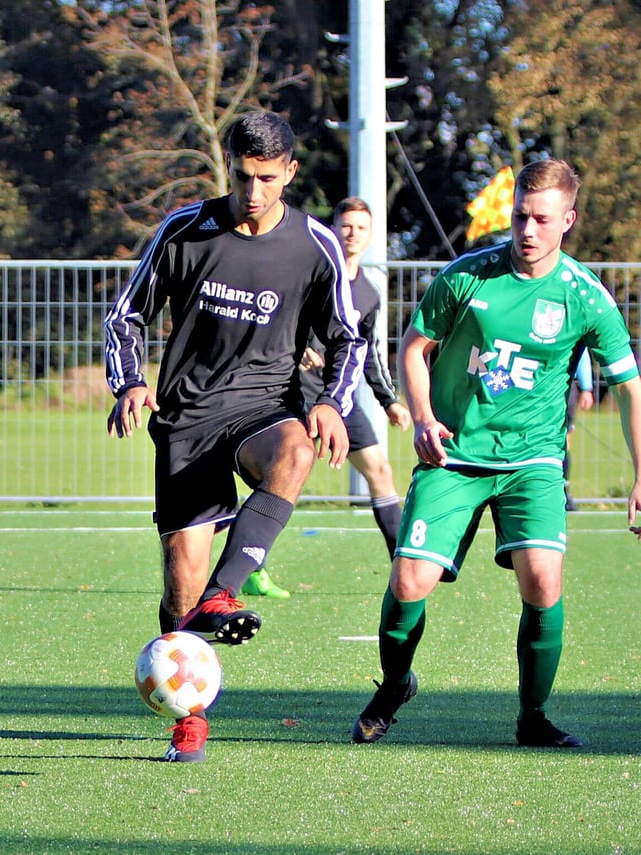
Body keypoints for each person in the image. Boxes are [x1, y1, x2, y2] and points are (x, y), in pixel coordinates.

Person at [351, 159, 641, 749]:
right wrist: (425, 418)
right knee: (410, 580)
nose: (527, 230)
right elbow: (413, 349)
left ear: (568, 219)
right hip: (455, 452)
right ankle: (394, 685)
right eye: (519, 217)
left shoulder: (587, 297)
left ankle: (532, 717)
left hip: (532, 462)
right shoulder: (467, 277)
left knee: (543, 581)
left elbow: (629, 386)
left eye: (540, 219)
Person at [104, 111, 366, 762]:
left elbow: (347, 337)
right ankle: (187, 709)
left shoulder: (314, 245)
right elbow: (126, 315)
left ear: (291, 173)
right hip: (185, 419)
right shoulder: (185, 232)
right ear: (228, 165)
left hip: (261, 408)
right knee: (178, 589)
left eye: (268, 179)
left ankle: (227, 591)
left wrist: (333, 402)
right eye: (243, 176)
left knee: (298, 448)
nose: (254, 192)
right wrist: (130, 382)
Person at [244, 197, 412, 598]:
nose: (352, 233)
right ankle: (253, 566)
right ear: (334, 228)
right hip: (293, 396)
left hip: (340, 401)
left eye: (360, 227)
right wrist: (295, 347)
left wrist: (388, 399)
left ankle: (404, 565)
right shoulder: (312, 273)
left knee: (380, 471)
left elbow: (366, 351)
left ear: (370, 236)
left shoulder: (368, 293)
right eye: (345, 225)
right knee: (282, 478)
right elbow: (273, 315)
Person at [563, 349, 595, 511]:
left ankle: (564, 491)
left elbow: (582, 354)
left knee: (564, 442)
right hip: (537, 385)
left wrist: (586, 388)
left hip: (564, 386)